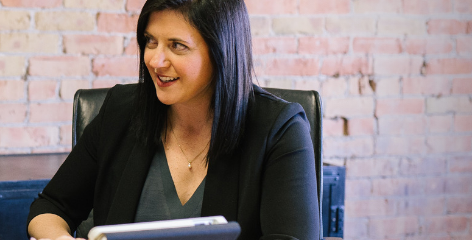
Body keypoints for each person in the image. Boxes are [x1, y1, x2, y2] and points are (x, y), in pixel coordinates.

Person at [26, 0, 321, 239]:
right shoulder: (121, 111)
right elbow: (51, 206)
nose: (155, 60)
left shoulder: (280, 130)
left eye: (177, 45)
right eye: (151, 42)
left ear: (221, 51)